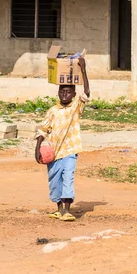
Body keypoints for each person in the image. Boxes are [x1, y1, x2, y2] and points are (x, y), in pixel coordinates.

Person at [35, 57, 90, 222]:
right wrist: (37, 148)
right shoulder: (52, 111)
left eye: (68, 92)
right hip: (53, 152)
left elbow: (86, 93)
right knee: (55, 181)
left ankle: (67, 210)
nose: (64, 94)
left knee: (68, 178)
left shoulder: (75, 108)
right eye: (62, 91)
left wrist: (84, 69)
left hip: (70, 151)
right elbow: (42, 130)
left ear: (73, 94)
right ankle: (59, 209)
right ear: (58, 93)